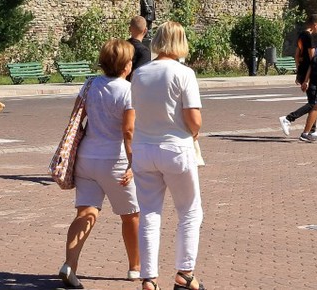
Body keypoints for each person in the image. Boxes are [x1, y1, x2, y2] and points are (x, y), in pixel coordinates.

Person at [130, 21, 206, 290]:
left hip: (143, 147)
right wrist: (193, 129)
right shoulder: (184, 73)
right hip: (175, 147)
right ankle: (185, 272)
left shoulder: (139, 74)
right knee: (189, 211)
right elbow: (194, 119)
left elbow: (135, 110)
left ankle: (148, 277)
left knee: (150, 212)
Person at [58, 40, 141, 289]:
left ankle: (69, 264)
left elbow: (77, 117)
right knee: (131, 215)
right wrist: (132, 163)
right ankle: (135, 267)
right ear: (126, 66)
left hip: (86, 157)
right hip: (114, 160)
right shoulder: (128, 91)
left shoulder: (90, 84)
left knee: (86, 212)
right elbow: (128, 131)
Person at [278, 14, 317, 139]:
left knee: (312, 101)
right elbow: (313, 59)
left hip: (304, 71)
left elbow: (297, 56)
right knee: (313, 104)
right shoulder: (309, 37)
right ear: (315, 24)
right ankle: (288, 118)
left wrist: (299, 72)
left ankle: (311, 130)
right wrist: (307, 79)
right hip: (310, 73)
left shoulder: (301, 35)